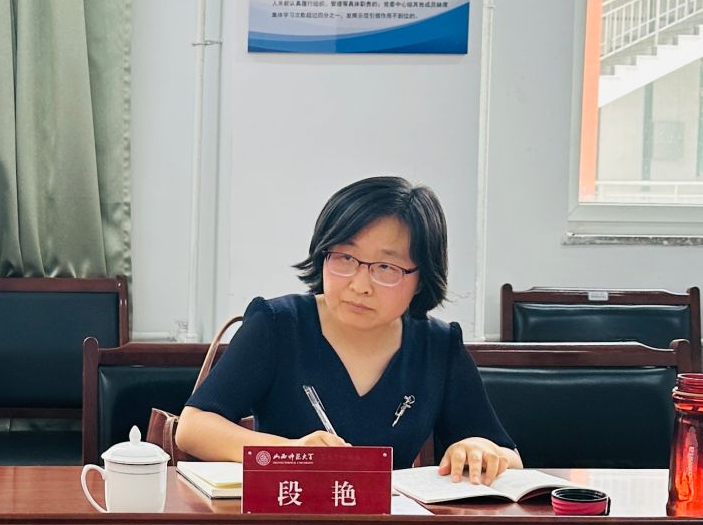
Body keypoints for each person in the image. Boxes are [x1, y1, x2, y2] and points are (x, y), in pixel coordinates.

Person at [175, 176, 520, 483]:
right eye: (345, 258)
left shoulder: (438, 346)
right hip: (287, 516)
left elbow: (510, 457)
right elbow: (194, 426)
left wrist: (479, 448)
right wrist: (292, 453)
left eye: (386, 267)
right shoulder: (278, 324)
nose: (360, 285)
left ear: (421, 278)